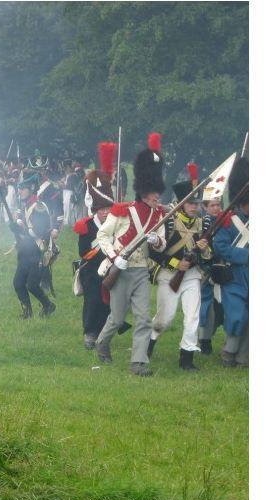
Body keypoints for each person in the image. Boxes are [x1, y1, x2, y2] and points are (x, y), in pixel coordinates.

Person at [94, 133, 167, 376]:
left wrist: (157, 241)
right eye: (153, 192)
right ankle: (102, 343)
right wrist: (115, 257)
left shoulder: (160, 216)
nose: (157, 196)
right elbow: (102, 236)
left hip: (141, 271)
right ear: (144, 191)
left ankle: (138, 362)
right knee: (116, 318)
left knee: (144, 319)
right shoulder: (122, 211)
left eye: (158, 192)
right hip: (120, 269)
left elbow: (162, 245)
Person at [147, 168, 211, 371]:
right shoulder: (168, 221)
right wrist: (175, 264)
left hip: (191, 275)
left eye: (197, 203)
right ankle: (147, 346)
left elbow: (208, 255)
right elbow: (153, 251)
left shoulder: (202, 223)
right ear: (182, 203)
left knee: (192, 316)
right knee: (164, 318)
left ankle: (187, 358)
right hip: (169, 274)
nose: (195, 207)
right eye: (192, 203)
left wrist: (204, 249)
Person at [73, 144, 115, 348]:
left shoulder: (116, 225)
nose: (105, 212)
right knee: (92, 302)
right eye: (102, 209)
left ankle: (102, 333)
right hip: (91, 270)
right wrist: (102, 246)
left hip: (110, 269)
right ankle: (90, 333)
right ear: (95, 209)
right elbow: (84, 252)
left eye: (108, 208)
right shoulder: (86, 226)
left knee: (107, 303)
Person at [213, 157, 249, 368]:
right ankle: (229, 352)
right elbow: (221, 247)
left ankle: (244, 357)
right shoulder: (229, 220)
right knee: (237, 316)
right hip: (234, 277)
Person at [7, 171, 56, 318]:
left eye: (23, 188)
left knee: (32, 285)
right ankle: (27, 312)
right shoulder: (25, 206)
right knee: (18, 283)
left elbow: (41, 231)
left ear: (32, 188)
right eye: (19, 188)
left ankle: (48, 305)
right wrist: (16, 229)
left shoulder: (38, 207)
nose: (20, 191)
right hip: (25, 251)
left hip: (36, 251)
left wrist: (22, 229)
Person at [198, 196, 224, 354]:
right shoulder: (205, 222)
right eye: (212, 205)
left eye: (218, 205)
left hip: (222, 268)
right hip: (206, 270)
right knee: (206, 307)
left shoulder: (223, 220)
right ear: (205, 207)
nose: (216, 208)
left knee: (220, 308)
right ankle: (204, 340)